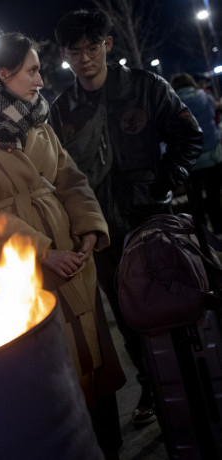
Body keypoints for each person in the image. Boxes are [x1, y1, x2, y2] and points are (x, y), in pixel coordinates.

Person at [0, 32, 126, 458]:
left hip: (75, 259)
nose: (41, 80)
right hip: (23, 268)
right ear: (2, 74)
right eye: (32, 70)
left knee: (95, 361)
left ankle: (111, 446)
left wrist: (90, 229)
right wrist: (45, 250)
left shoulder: (37, 121)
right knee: (56, 373)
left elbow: (71, 178)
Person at [49, 9, 204, 428]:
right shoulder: (61, 111)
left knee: (178, 296)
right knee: (129, 311)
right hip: (102, 229)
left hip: (151, 217)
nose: (85, 58)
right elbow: (56, 175)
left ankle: (197, 376)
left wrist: (166, 177)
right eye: (74, 51)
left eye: (92, 47)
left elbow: (189, 136)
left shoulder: (145, 87)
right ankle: (154, 388)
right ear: (64, 55)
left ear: (108, 45)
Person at [170, 72, 222, 234]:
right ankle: (219, 231)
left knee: (196, 200)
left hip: (190, 162)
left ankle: (203, 235)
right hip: (213, 156)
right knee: (214, 197)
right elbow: (214, 119)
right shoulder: (205, 97)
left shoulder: (172, 103)